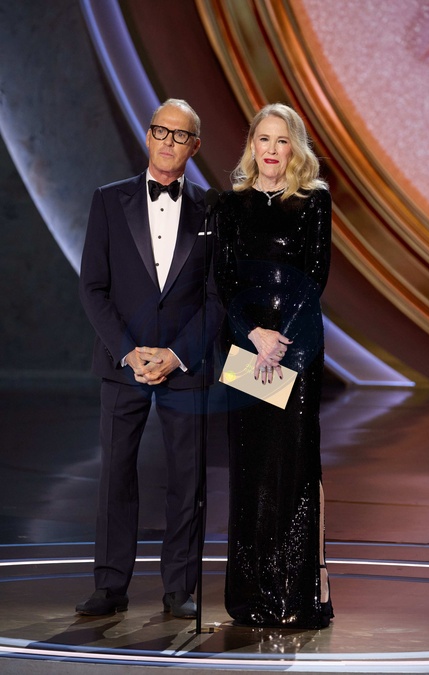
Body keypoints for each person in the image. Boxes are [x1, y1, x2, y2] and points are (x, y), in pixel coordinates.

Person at [76, 98, 223, 619]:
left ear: (194, 146)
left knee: (187, 478)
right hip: (124, 363)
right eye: (161, 130)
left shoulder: (213, 208)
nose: (168, 141)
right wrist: (127, 351)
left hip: (185, 364)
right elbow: (93, 287)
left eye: (180, 135)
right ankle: (109, 585)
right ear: (147, 135)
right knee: (116, 473)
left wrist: (178, 354)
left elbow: (217, 296)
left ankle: (179, 588)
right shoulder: (108, 200)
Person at [214, 103, 334, 628]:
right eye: (263, 139)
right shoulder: (230, 204)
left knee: (293, 464)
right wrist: (254, 334)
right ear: (252, 145)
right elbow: (224, 279)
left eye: (281, 140)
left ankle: (296, 593)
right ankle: (250, 595)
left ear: (294, 149)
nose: (271, 149)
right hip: (246, 349)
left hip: (296, 348)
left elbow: (315, 275)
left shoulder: (313, 201)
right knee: (251, 467)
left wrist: (278, 339)